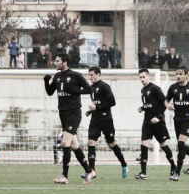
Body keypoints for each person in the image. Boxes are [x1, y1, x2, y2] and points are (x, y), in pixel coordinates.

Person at [44, 53, 95, 185]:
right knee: (74, 145)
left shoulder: (75, 75)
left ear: (65, 62)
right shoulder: (58, 76)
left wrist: (74, 90)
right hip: (63, 114)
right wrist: (46, 81)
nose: (55, 63)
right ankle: (89, 171)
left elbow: (89, 89)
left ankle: (64, 176)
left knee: (65, 143)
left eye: (57, 61)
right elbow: (50, 92)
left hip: (74, 113)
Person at [84, 66, 128, 179]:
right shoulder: (91, 87)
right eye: (89, 75)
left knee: (111, 143)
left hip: (106, 120)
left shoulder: (104, 86)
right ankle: (91, 171)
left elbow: (112, 102)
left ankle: (124, 164)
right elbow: (97, 104)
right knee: (91, 142)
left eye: (92, 74)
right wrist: (91, 111)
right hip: (95, 120)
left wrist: (97, 107)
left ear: (98, 74)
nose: (90, 77)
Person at [135, 68, 176, 180]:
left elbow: (164, 103)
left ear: (149, 77)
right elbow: (150, 104)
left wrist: (158, 117)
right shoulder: (143, 90)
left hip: (158, 123)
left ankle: (173, 166)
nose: (142, 79)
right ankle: (143, 173)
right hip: (147, 122)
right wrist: (142, 108)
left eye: (144, 77)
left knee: (164, 146)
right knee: (144, 145)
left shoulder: (155, 88)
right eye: (140, 77)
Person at [165, 66, 189, 181]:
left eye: (181, 74)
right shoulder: (173, 88)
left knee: (181, 144)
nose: (178, 76)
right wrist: (169, 106)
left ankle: (176, 173)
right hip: (177, 119)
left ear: (186, 75)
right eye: (177, 74)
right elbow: (166, 100)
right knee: (180, 145)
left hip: (188, 119)